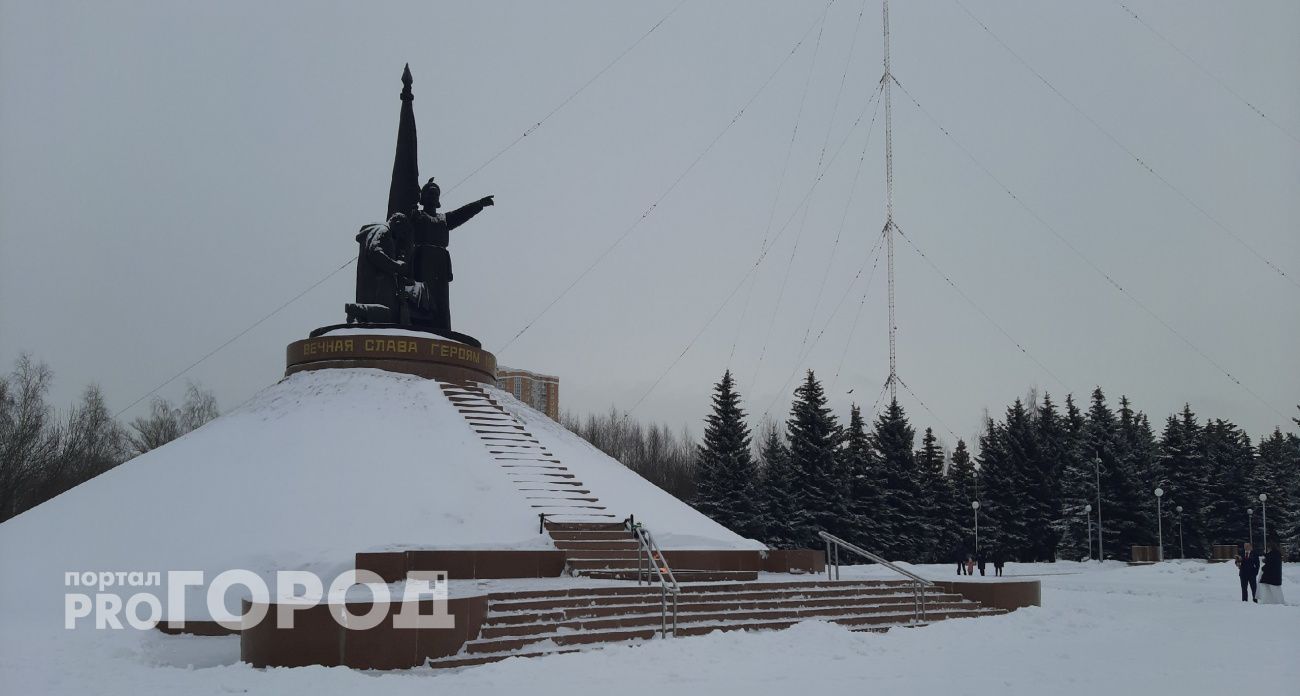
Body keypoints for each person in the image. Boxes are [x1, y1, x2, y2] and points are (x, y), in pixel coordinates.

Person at [409, 178, 494, 332]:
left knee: (441, 300)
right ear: (423, 198)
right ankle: (422, 328)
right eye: (429, 193)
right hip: (422, 260)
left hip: (441, 264)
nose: (433, 196)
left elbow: (462, 213)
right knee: (423, 298)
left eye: (435, 194)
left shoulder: (444, 219)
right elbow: (406, 199)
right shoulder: (416, 216)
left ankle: (442, 330)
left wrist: (479, 204)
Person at [1258, 540, 1285, 605]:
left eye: (1268, 548)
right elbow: (1270, 560)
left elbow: (1269, 565)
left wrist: (1263, 568)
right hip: (1274, 577)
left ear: (1270, 548)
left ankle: (1271, 602)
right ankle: (1275, 602)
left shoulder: (1273, 555)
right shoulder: (1276, 554)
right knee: (1275, 590)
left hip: (1270, 577)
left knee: (1270, 590)